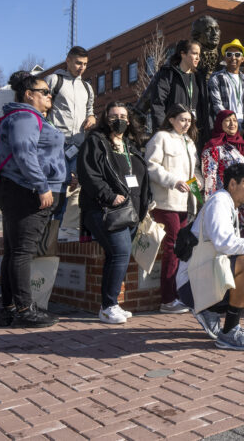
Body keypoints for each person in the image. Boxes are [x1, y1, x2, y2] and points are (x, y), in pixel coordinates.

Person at [177, 163, 244, 350]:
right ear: (232, 184)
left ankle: (209, 311)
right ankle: (230, 331)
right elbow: (224, 243)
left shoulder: (229, 205)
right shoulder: (219, 202)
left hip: (202, 277)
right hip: (191, 283)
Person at [0, 71, 66, 328]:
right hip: (26, 191)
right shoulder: (24, 116)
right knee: (22, 252)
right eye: (45, 92)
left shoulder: (26, 117)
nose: (50, 96)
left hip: (19, 189)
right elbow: (24, 153)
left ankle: (10, 308)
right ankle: (25, 309)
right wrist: (42, 186)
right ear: (29, 94)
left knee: (14, 252)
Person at [77, 102, 152, 325]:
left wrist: (146, 202)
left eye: (123, 116)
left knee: (116, 256)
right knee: (120, 252)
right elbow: (88, 173)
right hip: (105, 209)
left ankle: (111, 304)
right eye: (113, 115)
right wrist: (109, 196)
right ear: (105, 118)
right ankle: (108, 306)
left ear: (129, 121)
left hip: (131, 212)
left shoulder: (130, 145)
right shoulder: (96, 141)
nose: (118, 119)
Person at [145, 103, 203, 314]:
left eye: (189, 120)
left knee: (180, 248)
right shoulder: (161, 137)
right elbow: (151, 166)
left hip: (184, 203)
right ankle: (167, 300)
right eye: (182, 119)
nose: (186, 124)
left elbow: (194, 172)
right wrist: (172, 181)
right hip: (165, 201)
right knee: (171, 247)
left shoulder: (189, 142)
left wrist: (199, 194)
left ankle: (176, 294)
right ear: (171, 119)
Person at [44, 47, 96, 237]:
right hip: (58, 145)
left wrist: (92, 118)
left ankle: (61, 230)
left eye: (84, 64)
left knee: (73, 186)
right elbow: (43, 108)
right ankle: (50, 230)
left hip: (78, 145)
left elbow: (90, 110)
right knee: (58, 186)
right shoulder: (53, 80)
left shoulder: (87, 87)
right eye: (78, 63)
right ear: (68, 61)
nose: (81, 67)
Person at [201, 109, 244, 238]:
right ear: (219, 123)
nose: (232, 124)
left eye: (235, 120)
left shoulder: (243, 146)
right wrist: (212, 204)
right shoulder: (213, 147)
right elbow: (210, 178)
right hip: (228, 200)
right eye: (227, 120)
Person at [138, 39, 211, 145]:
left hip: (195, 136)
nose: (198, 58)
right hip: (173, 134)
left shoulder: (199, 78)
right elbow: (158, 105)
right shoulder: (167, 74)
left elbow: (205, 109)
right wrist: (163, 133)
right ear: (183, 54)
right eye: (194, 53)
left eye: (199, 54)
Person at [207, 39, 244, 131]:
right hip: (225, 127)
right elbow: (217, 105)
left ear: (243, 59)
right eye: (229, 54)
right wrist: (231, 124)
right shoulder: (216, 78)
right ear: (225, 58)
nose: (233, 58)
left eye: (237, 55)